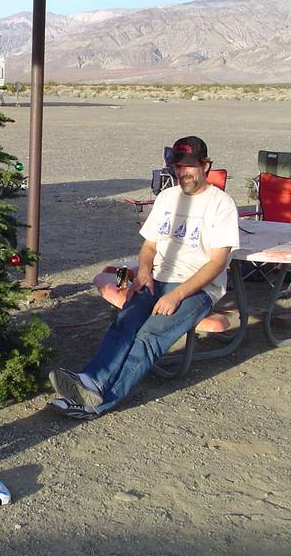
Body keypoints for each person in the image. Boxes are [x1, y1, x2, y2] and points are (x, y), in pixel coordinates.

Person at [48, 136, 240, 419]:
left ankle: (97, 404)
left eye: (189, 166)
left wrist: (177, 295)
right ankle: (90, 381)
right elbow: (149, 246)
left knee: (150, 335)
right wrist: (145, 274)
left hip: (196, 288)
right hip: (157, 277)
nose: (182, 173)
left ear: (205, 165)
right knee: (124, 322)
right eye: (177, 166)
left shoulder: (221, 204)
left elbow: (217, 263)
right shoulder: (167, 197)